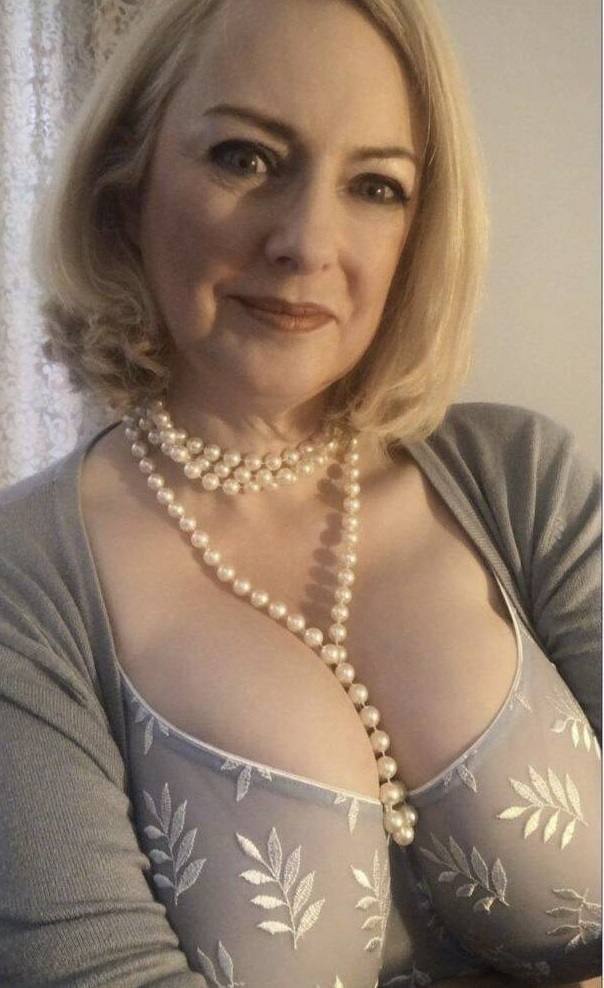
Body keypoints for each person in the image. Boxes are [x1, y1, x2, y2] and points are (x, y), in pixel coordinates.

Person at [0, 0, 600, 984]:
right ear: (125, 179)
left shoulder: (521, 481)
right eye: (245, 158)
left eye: (376, 185)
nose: (307, 242)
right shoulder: (24, 584)